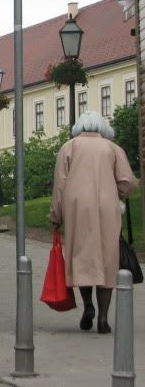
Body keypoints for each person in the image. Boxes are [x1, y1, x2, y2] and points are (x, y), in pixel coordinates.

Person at [49, 111, 136, 334]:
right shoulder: (112, 148)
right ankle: (103, 319)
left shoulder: (68, 148)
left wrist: (56, 216)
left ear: (79, 127)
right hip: (107, 208)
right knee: (107, 260)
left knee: (83, 259)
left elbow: (60, 186)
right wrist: (117, 194)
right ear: (102, 127)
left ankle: (88, 306)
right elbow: (127, 182)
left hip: (77, 209)